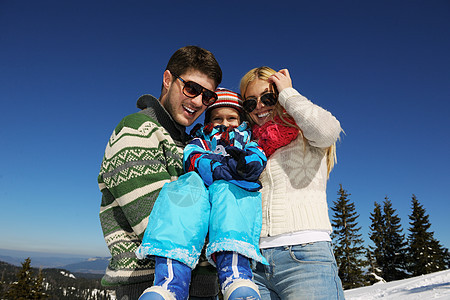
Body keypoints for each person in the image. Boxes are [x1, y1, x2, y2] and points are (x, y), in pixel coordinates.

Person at [98, 46, 223, 300]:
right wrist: (226, 232)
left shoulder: (192, 147)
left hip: (203, 288)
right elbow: (156, 224)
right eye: (191, 88)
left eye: (208, 96)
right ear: (168, 80)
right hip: (149, 285)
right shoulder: (136, 130)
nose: (198, 102)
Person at [136, 88, 268, 300]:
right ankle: (169, 285)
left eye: (231, 117)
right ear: (209, 120)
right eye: (217, 118)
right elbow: (192, 158)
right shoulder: (201, 140)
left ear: (240, 119)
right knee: (181, 195)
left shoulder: (248, 142)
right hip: (200, 192)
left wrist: (245, 166)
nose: (225, 123)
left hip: (230, 193)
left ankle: (235, 278)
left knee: (232, 199)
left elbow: (258, 159)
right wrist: (218, 168)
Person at [240, 67, 345, 299]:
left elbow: (328, 130)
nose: (259, 106)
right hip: (253, 262)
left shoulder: (304, 132)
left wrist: (288, 93)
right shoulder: (247, 147)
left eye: (268, 97)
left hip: (305, 255)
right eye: (250, 102)